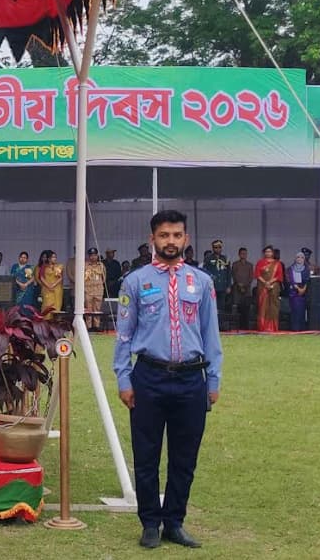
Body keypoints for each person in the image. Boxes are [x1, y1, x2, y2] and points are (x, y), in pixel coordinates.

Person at [113, 209, 221, 550]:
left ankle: (174, 522)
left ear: (185, 239)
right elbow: (124, 335)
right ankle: (149, 522)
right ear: (152, 240)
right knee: (146, 455)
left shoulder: (202, 282)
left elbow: (211, 334)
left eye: (176, 235)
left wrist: (213, 380)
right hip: (148, 377)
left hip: (191, 380)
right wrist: (123, 378)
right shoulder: (135, 281)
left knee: (184, 458)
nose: (170, 241)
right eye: (164, 236)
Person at [254, 246, 282, 333]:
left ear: (273, 253)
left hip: (274, 287)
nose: (268, 253)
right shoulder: (260, 262)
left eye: (270, 252)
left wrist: (270, 282)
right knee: (263, 307)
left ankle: (273, 327)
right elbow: (257, 275)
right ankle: (263, 327)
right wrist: (266, 283)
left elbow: (279, 276)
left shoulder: (278, 264)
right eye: (266, 252)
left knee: (273, 307)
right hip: (263, 287)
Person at [202, 240, 232, 314]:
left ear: (221, 248)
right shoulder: (208, 258)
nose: (217, 249)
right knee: (212, 307)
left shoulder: (225, 259)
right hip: (212, 286)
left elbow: (228, 273)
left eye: (219, 247)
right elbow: (204, 271)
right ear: (212, 248)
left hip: (222, 286)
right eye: (215, 247)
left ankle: (220, 325)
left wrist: (228, 286)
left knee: (221, 307)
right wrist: (211, 277)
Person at [81, 247, 106, 330]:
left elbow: (104, 278)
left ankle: (96, 325)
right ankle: (89, 326)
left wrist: (99, 285)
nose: (93, 257)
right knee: (88, 308)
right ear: (88, 256)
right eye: (91, 255)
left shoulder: (101, 265)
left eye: (95, 255)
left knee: (97, 308)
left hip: (98, 289)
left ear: (97, 255)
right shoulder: (85, 265)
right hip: (88, 289)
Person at [287, 251, 310, 331]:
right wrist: (297, 288)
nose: (300, 259)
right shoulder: (291, 268)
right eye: (298, 257)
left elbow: (307, 280)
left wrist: (303, 289)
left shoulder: (306, 269)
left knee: (302, 311)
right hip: (294, 292)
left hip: (303, 293)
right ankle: (295, 328)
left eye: (302, 257)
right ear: (295, 259)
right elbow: (290, 279)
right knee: (295, 310)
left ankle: (302, 328)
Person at [38, 250, 63, 314]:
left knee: (57, 307)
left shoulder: (58, 267)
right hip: (47, 290)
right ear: (49, 259)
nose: (54, 259)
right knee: (47, 307)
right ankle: (46, 322)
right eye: (53, 257)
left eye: (55, 257)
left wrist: (53, 285)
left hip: (57, 290)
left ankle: (55, 323)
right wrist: (49, 286)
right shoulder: (44, 266)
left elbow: (60, 278)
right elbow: (41, 277)